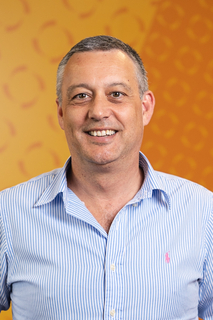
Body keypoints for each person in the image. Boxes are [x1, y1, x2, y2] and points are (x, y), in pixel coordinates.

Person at [0, 35, 212, 320]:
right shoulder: (8, 213)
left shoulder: (202, 212)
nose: (98, 112)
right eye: (81, 96)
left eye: (116, 94)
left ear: (145, 107)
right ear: (61, 113)